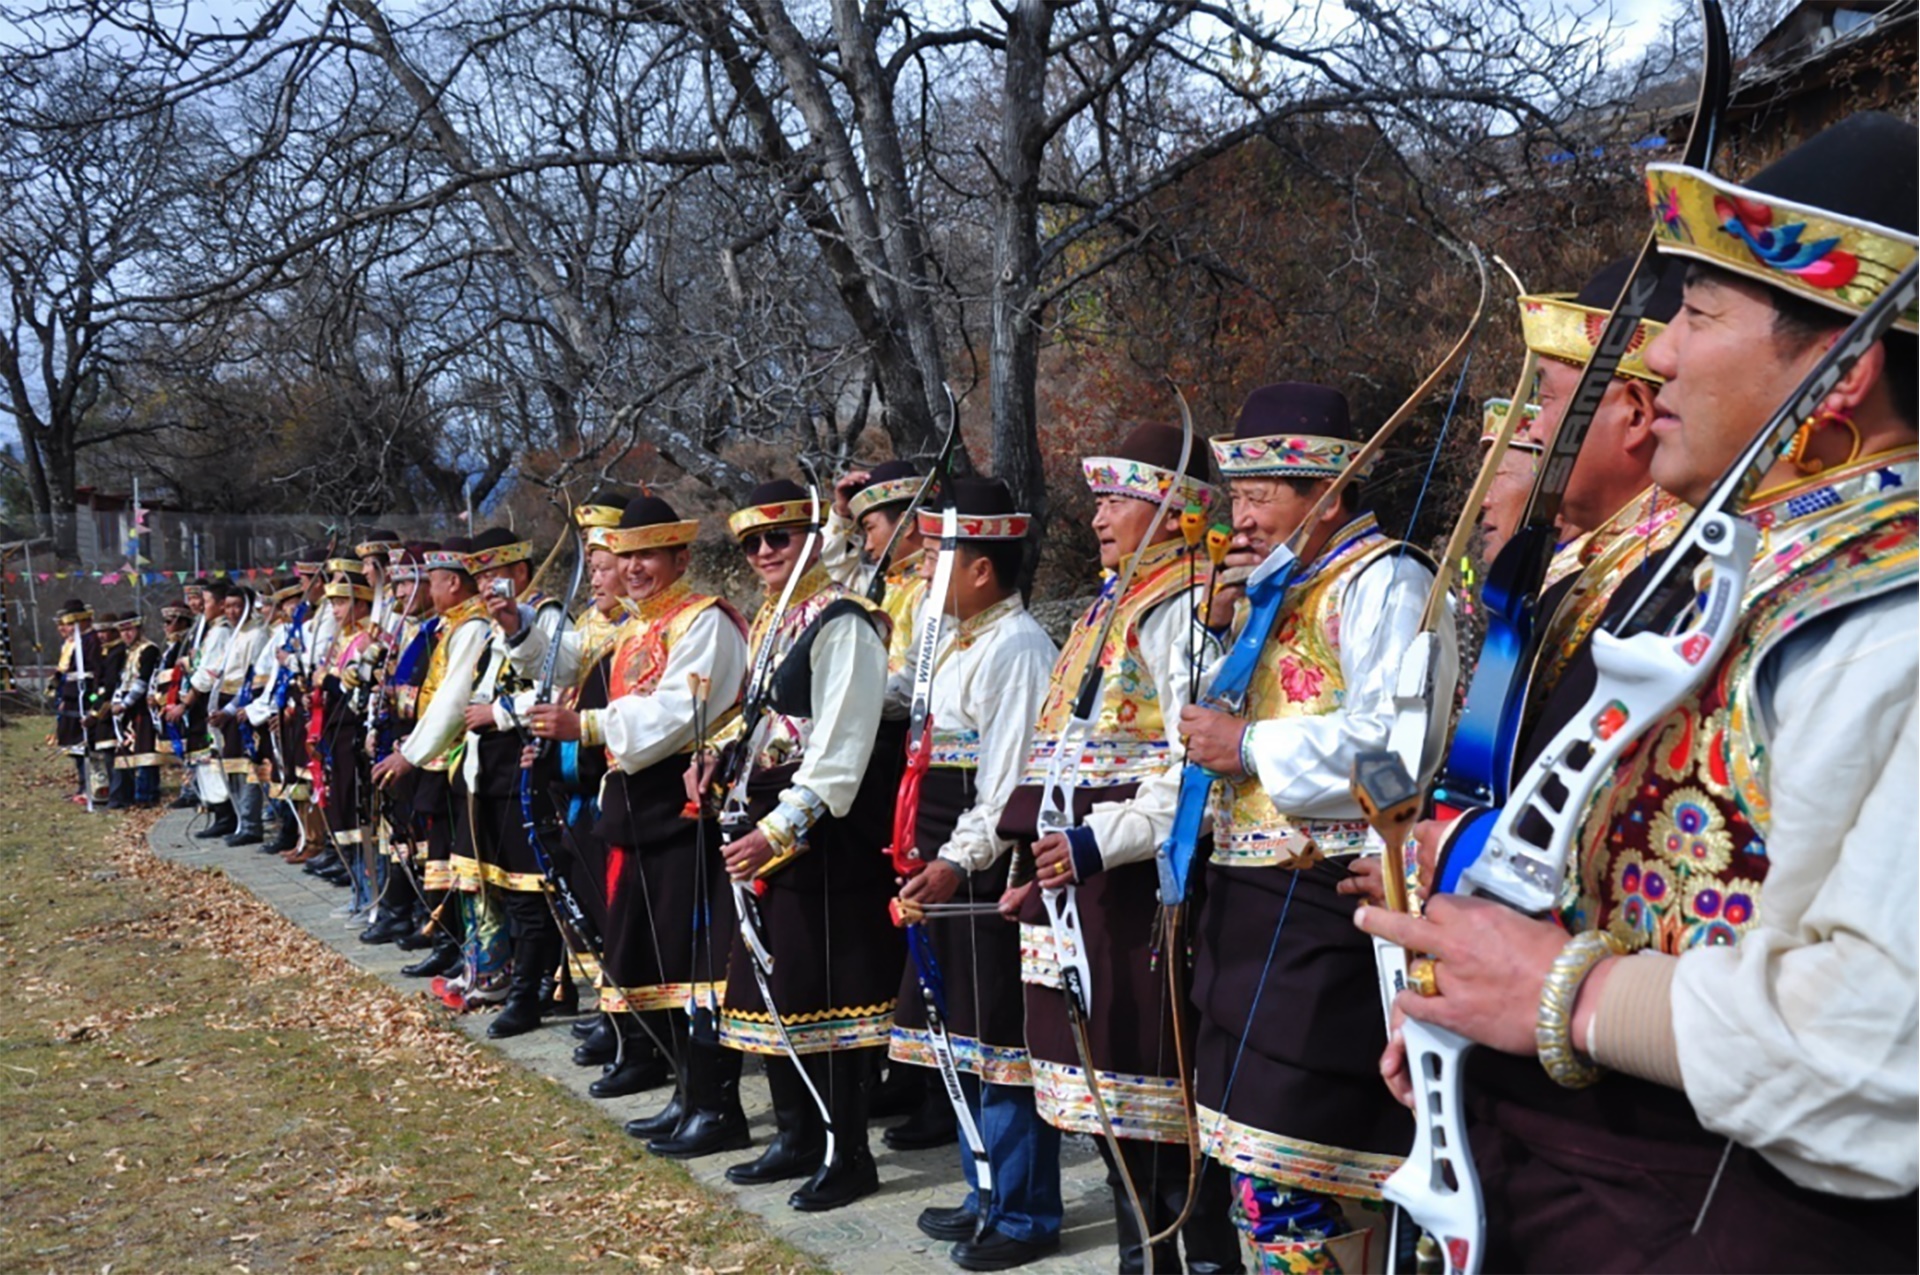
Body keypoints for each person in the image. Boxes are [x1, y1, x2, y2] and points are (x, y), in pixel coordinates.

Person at [1359, 111, 1920, 1271]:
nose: (1655, 356)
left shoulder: (1889, 612)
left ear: (1842, 368)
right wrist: (1481, 991)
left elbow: (1883, 1053)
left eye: (1697, 315)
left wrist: (1564, 993)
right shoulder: (1740, 573)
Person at [1175, 383, 1458, 1270]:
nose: (1243, 518)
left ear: (1327, 496)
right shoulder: (1275, 593)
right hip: (1246, 902)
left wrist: (1253, 743)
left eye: (1263, 497)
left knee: (1303, 1158)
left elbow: (1398, 760)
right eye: (1237, 498)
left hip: (1320, 903)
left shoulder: (1390, 583)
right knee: (1247, 1157)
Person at [1002, 422, 1239, 1274]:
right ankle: (1144, 1254)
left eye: (1119, 498)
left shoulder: (1184, 607)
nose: (1098, 515)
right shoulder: (1110, 603)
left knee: (1157, 1093)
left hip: (1140, 880)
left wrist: (1097, 843)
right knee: (1104, 1096)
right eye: (1098, 499)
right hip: (1079, 874)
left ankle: (1187, 1255)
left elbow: (1189, 770)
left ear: (1174, 511)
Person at [519, 495, 752, 1156]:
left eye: (649, 554)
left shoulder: (703, 621)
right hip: (640, 812)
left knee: (698, 966)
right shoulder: (631, 628)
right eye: (626, 556)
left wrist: (589, 725)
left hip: (685, 813)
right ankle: (685, 1093)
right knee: (657, 961)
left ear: (681, 556)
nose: (636, 568)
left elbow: (684, 712)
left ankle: (717, 1104)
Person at [700, 477, 905, 1212]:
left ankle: (847, 1152)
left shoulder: (844, 620)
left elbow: (841, 747)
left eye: (777, 537)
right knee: (775, 986)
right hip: (766, 815)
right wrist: (719, 752)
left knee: (829, 993)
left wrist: (777, 831)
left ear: (814, 538)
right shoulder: (777, 616)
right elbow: (762, 714)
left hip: (822, 834)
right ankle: (794, 1134)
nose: (762, 552)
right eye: (750, 541)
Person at [882, 477, 1064, 1270]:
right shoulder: (945, 633)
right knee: (957, 1031)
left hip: (988, 865)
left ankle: (1024, 1211)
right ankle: (984, 1187)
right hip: (936, 851)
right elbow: (910, 714)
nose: (923, 571)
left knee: (1000, 1039)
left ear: (982, 568)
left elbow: (1008, 784)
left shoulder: (1017, 646)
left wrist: (960, 861)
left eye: (935, 556)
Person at [372, 538, 490, 987]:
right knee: (438, 851)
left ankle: (460, 946)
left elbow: (451, 699)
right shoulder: (449, 625)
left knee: (455, 852)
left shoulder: (471, 627)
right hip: (436, 756)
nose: (427, 590)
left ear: (453, 583)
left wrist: (409, 754)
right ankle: (445, 941)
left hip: (455, 756)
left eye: (433, 581)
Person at [109, 610, 164, 808]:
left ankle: (147, 793)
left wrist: (125, 703)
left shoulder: (149, 649)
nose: (126, 634)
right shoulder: (127, 652)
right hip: (126, 707)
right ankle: (130, 793)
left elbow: (143, 680)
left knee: (145, 749)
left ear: (139, 629)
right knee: (127, 748)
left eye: (130, 630)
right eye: (122, 631)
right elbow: (122, 680)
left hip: (142, 705)